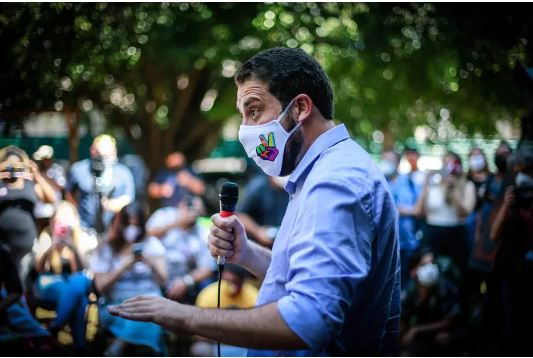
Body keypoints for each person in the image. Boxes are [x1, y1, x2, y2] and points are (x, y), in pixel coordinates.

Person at [109, 47, 400, 356]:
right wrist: (246, 253)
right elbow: (306, 280)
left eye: (255, 110)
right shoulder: (324, 172)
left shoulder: (334, 182)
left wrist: (185, 316)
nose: (246, 129)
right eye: (243, 115)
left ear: (300, 107)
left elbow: (308, 320)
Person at [90, 204, 167, 356]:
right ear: (121, 224)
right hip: (118, 303)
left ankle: (121, 344)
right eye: (129, 225)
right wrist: (124, 265)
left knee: (148, 310)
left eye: (136, 225)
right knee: (144, 315)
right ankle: (139, 345)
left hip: (149, 298)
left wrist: (149, 262)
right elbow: (100, 287)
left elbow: (163, 281)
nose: (133, 229)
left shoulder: (152, 244)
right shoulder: (106, 248)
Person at [489, 142, 533, 355]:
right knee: (510, 320)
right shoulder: (509, 195)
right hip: (510, 268)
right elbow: (493, 234)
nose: (521, 175)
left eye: (526, 170)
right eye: (517, 170)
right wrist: (506, 205)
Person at [32, 201, 92, 352]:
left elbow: (84, 269)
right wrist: (51, 247)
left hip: (72, 281)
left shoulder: (81, 237)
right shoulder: (47, 234)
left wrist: (72, 247)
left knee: (77, 282)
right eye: (60, 219)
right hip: (50, 280)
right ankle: (80, 346)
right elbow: (38, 269)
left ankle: (54, 327)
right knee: (78, 296)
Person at [0, 145, 57, 276]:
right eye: (9, 164)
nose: (13, 168)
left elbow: (51, 198)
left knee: (24, 283)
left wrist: (37, 176)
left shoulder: (30, 185)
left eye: (17, 165)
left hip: (26, 247)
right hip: (3, 247)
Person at [415, 152, 476, 273]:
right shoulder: (433, 186)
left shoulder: (468, 186)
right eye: (445, 163)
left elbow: (465, 213)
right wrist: (425, 185)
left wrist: (453, 192)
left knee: (458, 273)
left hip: (457, 234)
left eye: (452, 164)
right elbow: (419, 211)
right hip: (433, 234)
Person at [145, 196, 214, 302]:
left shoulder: (202, 231)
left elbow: (207, 268)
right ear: (181, 205)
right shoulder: (164, 215)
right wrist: (178, 223)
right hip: (154, 274)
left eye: (198, 212)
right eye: (191, 209)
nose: (194, 214)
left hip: (184, 280)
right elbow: (147, 234)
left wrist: (186, 282)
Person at [66, 134, 135, 233]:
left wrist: (109, 205)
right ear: (93, 151)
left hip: (114, 230)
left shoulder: (123, 173)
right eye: (100, 155)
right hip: (84, 229)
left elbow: (128, 199)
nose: (104, 159)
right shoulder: (78, 169)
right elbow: (69, 195)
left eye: (109, 155)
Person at [400, 250, 463, 356]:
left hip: (440, 331)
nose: (424, 290)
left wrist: (416, 330)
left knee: (444, 339)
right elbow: (402, 315)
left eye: (428, 287)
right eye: (422, 286)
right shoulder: (410, 289)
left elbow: (449, 322)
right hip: (421, 332)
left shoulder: (445, 288)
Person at [191, 264, 259, 357]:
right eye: (230, 281)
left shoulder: (254, 295)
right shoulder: (208, 294)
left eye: (238, 280)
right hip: (215, 343)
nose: (233, 286)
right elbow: (198, 332)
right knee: (200, 349)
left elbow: (259, 331)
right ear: (223, 276)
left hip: (244, 344)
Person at [386, 149, 423, 286]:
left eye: (390, 160)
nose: (387, 163)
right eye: (385, 160)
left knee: (407, 282)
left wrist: (400, 210)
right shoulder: (381, 182)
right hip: (388, 244)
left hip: (409, 241)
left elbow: (419, 209)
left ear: (397, 162)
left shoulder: (409, 182)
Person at [236, 174, 289, 248]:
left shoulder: (290, 189)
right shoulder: (258, 186)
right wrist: (257, 231)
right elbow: (240, 215)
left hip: (281, 243)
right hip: (258, 246)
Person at [33, 145, 66, 233]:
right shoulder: (37, 171)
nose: (41, 162)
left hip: (52, 211)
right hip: (38, 211)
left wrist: (43, 177)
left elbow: (60, 186)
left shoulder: (57, 170)